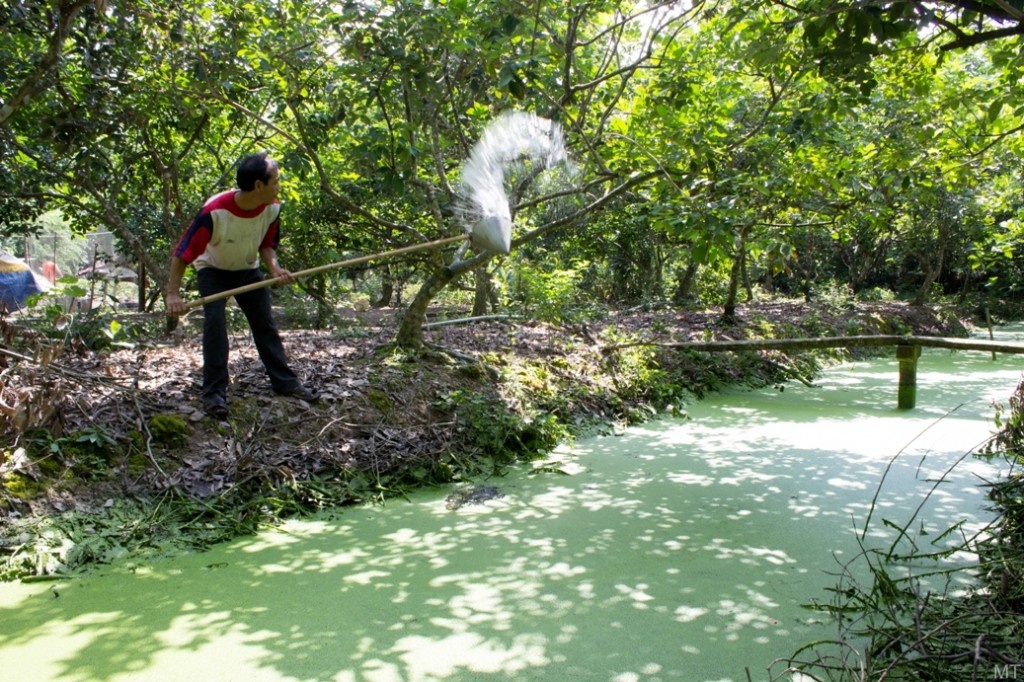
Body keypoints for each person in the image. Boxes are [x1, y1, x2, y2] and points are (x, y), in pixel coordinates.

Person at [165, 152, 319, 419]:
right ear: (258, 185)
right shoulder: (215, 211)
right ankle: (214, 394)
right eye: (275, 181)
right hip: (213, 271)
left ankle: (285, 383)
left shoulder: (272, 208)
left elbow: (267, 243)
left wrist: (275, 269)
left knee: (265, 324)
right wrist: (172, 294)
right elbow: (183, 253)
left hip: (248, 270)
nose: (279, 186)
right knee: (215, 325)